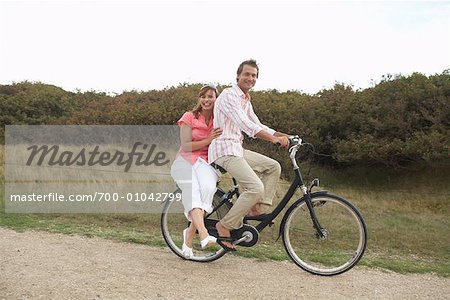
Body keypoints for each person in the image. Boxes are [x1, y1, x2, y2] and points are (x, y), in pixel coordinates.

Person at [208, 59, 290, 251]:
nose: (250, 78)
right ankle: (224, 225)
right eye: (247, 74)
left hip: (237, 150)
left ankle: (255, 208)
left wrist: (284, 136)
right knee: (255, 187)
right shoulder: (229, 95)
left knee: (273, 166)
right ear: (238, 76)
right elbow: (246, 125)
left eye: (254, 76)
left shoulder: (245, 99)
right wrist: (272, 140)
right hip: (224, 150)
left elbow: (258, 124)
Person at [170, 84, 223, 258]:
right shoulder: (189, 117)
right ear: (199, 99)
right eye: (204, 96)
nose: (207, 100)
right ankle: (204, 233)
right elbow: (185, 145)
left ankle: (189, 235)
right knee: (192, 190)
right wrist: (208, 140)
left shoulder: (218, 119)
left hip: (204, 162)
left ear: (216, 99)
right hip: (184, 160)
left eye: (211, 96)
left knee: (208, 188)